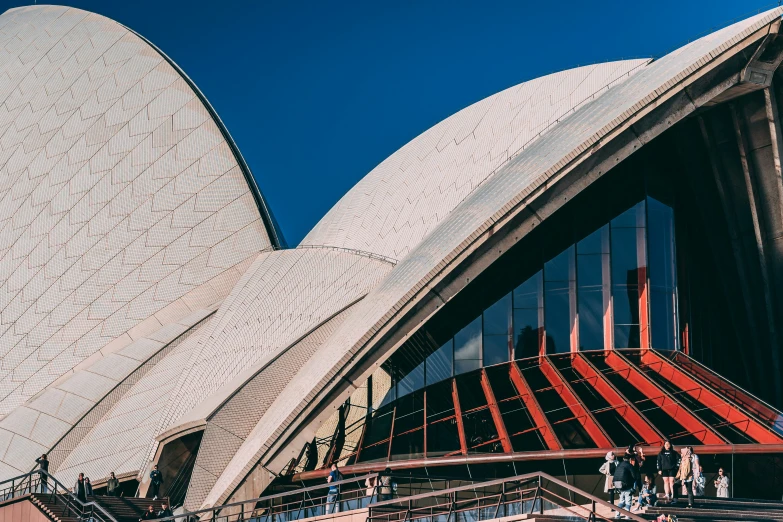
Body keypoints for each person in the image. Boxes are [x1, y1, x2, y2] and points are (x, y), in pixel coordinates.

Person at [612, 455, 638, 519]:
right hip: (626, 485)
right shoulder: (629, 465)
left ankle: (617, 515)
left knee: (621, 501)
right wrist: (632, 483)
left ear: (623, 459)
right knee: (628, 501)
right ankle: (627, 516)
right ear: (629, 460)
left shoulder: (619, 465)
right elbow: (634, 476)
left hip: (617, 484)